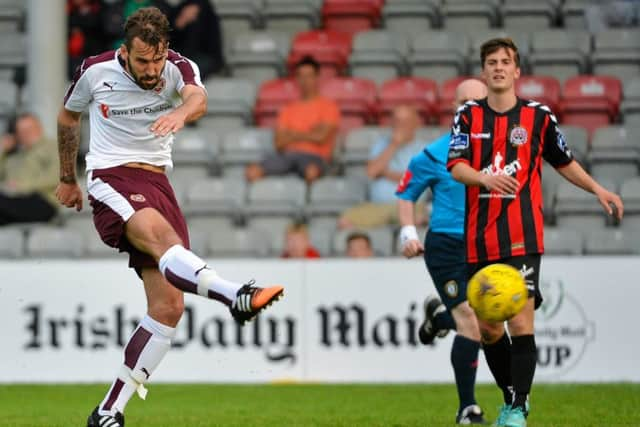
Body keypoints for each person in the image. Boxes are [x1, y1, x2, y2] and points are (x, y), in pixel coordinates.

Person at [56, 8, 284, 427]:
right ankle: (233, 295)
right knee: (164, 242)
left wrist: (180, 113)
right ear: (125, 51)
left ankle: (108, 411)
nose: (151, 69)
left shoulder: (179, 68)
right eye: (142, 60)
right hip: (111, 177)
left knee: (168, 307)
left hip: (159, 184)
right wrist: (67, 178)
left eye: (156, 60)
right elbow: (69, 115)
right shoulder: (94, 70)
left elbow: (198, 98)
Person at [446, 38, 623, 427]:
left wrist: (598, 189)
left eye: (505, 62)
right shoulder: (467, 116)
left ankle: (518, 408)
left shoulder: (539, 117)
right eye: (491, 62)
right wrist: (483, 178)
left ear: (516, 71)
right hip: (479, 237)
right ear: (483, 71)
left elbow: (563, 161)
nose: (498, 68)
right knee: (490, 328)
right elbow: (456, 166)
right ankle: (511, 397)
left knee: (521, 320)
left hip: (522, 236)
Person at [396, 79, 489, 425]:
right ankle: (467, 408)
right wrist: (408, 233)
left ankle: (439, 319)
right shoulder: (435, 154)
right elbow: (406, 194)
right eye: (462, 102)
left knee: (489, 321)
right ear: (454, 109)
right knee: (470, 323)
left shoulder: (502, 153)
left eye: (476, 102)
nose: (469, 108)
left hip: (487, 243)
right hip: (447, 245)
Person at [245, 56, 340, 184]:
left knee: (311, 172)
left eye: (309, 76)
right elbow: (279, 143)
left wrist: (292, 134)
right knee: (252, 172)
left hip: (315, 157)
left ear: (317, 78)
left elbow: (321, 137)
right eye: (301, 76)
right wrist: (309, 133)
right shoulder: (288, 109)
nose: (305, 81)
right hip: (287, 156)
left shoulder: (329, 106)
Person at [339, 105, 426, 229]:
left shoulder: (424, 149)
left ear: (416, 124)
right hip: (379, 206)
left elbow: (415, 180)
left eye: (405, 121)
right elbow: (371, 172)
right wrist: (394, 145)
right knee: (345, 221)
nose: (400, 125)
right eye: (397, 120)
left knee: (416, 220)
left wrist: (385, 173)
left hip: (410, 205)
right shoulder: (381, 144)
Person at [0, 113, 59, 225]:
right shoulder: (13, 155)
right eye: (21, 131)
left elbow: (58, 176)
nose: (26, 134)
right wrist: (2, 150)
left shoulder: (53, 147)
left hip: (42, 201)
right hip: (13, 201)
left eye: (29, 129)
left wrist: (22, 186)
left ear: (39, 127)